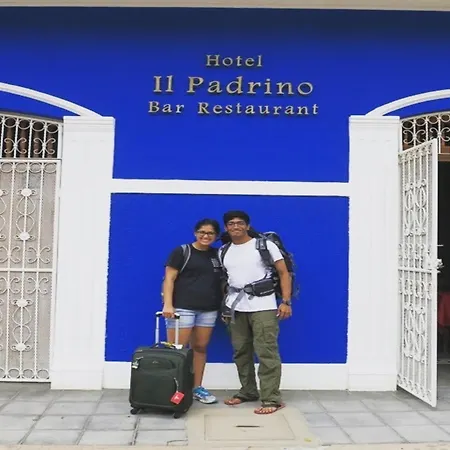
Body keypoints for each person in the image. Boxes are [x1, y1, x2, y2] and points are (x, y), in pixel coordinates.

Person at [219, 210, 292, 415]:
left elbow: (283, 272)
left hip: (264, 307)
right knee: (241, 351)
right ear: (226, 227)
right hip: (235, 308)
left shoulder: (264, 245)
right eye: (231, 223)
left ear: (248, 226)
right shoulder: (224, 250)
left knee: (266, 352)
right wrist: (225, 307)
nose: (236, 226)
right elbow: (227, 280)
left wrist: (286, 301)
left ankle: (271, 398)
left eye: (240, 223)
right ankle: (248, 391)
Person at [162, 218, 222, 404]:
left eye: (210, 233)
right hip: (182, 309)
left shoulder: (217, 255)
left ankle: (196, 388)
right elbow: (169, 279)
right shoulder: (182, 251)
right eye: (202, 232)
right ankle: (172, 391)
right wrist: (168, 305)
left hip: (208, 310)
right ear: (195, 233)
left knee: (200, 347)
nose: (206, 236)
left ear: (216, 236)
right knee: (177, 351)